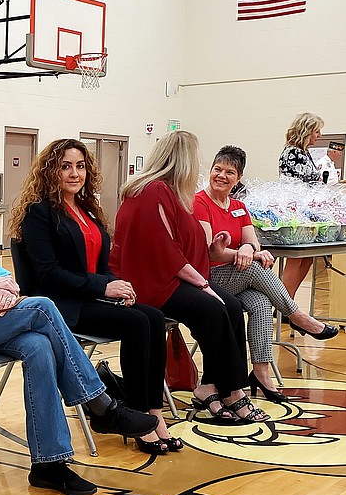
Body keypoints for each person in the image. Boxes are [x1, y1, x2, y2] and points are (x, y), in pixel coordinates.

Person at [0, 136, 157, 492]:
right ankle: (101, 404)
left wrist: (4, 290)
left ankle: (49, 464)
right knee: (44, 306)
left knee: (37, 345)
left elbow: (2, 272)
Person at [6, 138, 178, 455]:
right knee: (138, 324)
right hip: (60, 305)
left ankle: (154, 411)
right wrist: (103, 287)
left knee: (152, 317)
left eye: (80, 166)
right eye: (66, 166)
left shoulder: (86, 210)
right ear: (50, 171)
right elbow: (48, 274)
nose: (74, 173)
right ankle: (140, 418)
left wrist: (117, 285)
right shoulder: (38, 213)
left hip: (88, 297)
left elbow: (99, 267)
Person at [109, 130, 267, 426]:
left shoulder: (168, 192)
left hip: (168, 274)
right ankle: (232, 390)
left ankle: (216, 385)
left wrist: (212, 254)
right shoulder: (154, 191)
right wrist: (203, 284)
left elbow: (177, 244)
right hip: (152, 282)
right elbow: (166, 251)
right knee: (215, 308)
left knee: (231, 307)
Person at [194, 146, 339, 403]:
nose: (222, 176)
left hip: (236, 276)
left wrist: (249, 250)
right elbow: (210, 252)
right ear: (210, 171)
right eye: (218, 169)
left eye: (230, 172)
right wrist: (246, 255)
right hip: (209, 279)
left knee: (261, 303)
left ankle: (261, 373)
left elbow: (252, 242)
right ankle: (298, 316)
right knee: (255, 266)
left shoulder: (239, 207)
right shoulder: (199, 202)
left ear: (238, 178)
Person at [277, 112, 324, 296]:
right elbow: (298, 183)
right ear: (306, 130)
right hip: (296, 210)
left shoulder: (304, 152)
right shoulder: (292, 152)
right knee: (295, 258)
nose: (318, 135)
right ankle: (284, 304)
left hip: (308, 210)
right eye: (317, 131)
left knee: (308, 257)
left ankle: (289, 300)